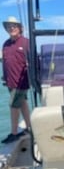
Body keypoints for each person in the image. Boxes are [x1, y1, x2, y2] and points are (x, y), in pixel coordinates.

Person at [1, 16, 31, 144]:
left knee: (13, 105)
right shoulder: (6, 44)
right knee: (23, 104)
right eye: (9, 26)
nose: (11, 28)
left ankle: (14, 133)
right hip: (10, 82)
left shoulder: (26, 42)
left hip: (21, 82)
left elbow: (34, 60)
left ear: (20, 28)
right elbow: (5, 60)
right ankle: (29, 128)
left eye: (14, 25)